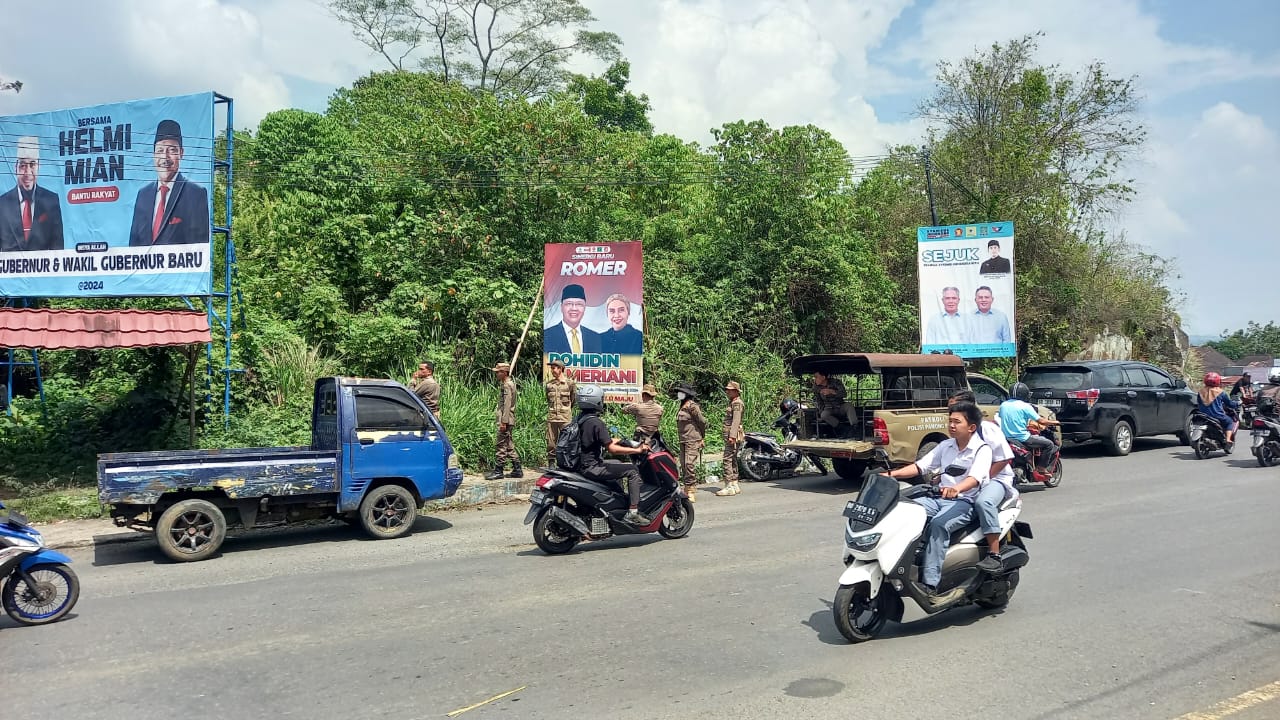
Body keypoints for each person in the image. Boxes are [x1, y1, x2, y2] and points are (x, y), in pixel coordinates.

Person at [887, 401, 992, 602]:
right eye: (950, 421)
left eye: (957, 422)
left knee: (938, 525)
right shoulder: (945, 445)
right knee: (903, 511)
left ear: (971, 427)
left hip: (964, 502)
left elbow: (975, 478)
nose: (951, 425)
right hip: (937, 498)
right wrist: (891, 474)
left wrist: (956, 489)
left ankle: (930, 584)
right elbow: (920, 467)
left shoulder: (982, 450)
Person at [950, 390, 1017, 573]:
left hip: (997, 478)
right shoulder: (956, 429)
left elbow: (1004, 459)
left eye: (955, 408)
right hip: (969, 478)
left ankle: (994, 554)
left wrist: (982, 479)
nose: (951, 416)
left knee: (983, 502)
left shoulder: (987, 429)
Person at [572, 384, 652, 524]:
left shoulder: (580, 419)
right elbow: (612, 449)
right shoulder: (596, 422)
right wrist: (637, 450)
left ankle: (615, 502)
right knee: (632, 470)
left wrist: (624, 441)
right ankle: (633, 512)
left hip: (582, 464)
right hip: (593, 467)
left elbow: (604, 440)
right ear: (597, 401)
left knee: (617, 464)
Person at [129, 120, 210, 247]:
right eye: (160, 150)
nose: (165, 158)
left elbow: (199, 248)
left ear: (181, 153)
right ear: (154, 154)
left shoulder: (195, 194)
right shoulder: (143, 195)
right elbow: (133, 246)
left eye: (171, 150)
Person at [0, 136, 63, 252]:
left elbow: (58, 249)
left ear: (39, 167)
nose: (27, 173)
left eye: (32, 164)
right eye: (23, 165)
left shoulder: (51, 201)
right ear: (16, 168)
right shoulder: (2, 204)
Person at [998, 382, 1060, 469]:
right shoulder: (1025, 406)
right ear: (1025, 394)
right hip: (1023, 438)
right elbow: (1041, 421)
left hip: (1006, 438)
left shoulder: (1003, 405)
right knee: (1049, 444)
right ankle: (1041, 468)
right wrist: (1055, 422)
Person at [485, 362, 522, 480]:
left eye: (498, 372)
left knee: (501, 444)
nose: (496, 374)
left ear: (505, 373)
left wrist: (503, 422)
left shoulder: (507, 385)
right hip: (508, 419)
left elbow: (506, 405)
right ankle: (517, 469)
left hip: (506, 420)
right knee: (509, 444)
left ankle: (499, 470)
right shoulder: (508, 384)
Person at [543, 284, 601, 355]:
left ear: (584, 307)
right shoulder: (548, 335)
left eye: (579, 304)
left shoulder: (595, 338)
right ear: (561, 307)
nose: (574, 308)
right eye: (569, 304)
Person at [674, 383, 707, 502]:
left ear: (686, 394)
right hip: (683, 439)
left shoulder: (692, 406)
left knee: (689, 464)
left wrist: (702, 437)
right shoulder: (682, 406)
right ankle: (687, 488)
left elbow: (702, 422)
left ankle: (691, 489)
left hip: (693, 439)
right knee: (683, 464)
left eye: (681, 392)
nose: (678, 394)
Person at [543, 359, 576, 465]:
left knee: (567, 442)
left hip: (565, 418)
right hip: (552, 417)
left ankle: (565, 463)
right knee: (551, 442)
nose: (552, 370)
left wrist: (566, 411)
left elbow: (573, 399)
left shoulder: (569, 384)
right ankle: (551, 463)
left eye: (554, 368)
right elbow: (548, 400)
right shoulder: (549, 385)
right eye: (551, 368)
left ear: (561, 369)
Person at [716, 380, 745, 497]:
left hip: (732, 435)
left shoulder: (737, 404)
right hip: (730, 435)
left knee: (727, 458)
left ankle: (728, 485)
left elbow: (736, 421)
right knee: (732, 458)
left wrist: (732, 436)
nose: (727, 391)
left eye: (730, 390)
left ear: (736, 391)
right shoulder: (733, 402)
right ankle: (734, 483)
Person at [1197, 372, 1239, 449]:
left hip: (1202, 415)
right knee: (1230, 422)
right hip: (1217, 415)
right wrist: (1236, 404)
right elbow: (1229, 403)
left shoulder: (1200, 392)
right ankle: (1228, 440)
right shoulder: (1221, 392)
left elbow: (1199, 403)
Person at [813, 370, 855, 437]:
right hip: (828, 408)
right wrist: (820, 413)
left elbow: (844, 394)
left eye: (816, 377)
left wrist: (832, 392)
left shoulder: (835, 382)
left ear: (823, 377)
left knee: (849, 405)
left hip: (840, 406)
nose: (815, 379)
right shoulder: (816, 387)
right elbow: (819, 401)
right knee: (824, 415)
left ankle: (854, 428)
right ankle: (842, 428)